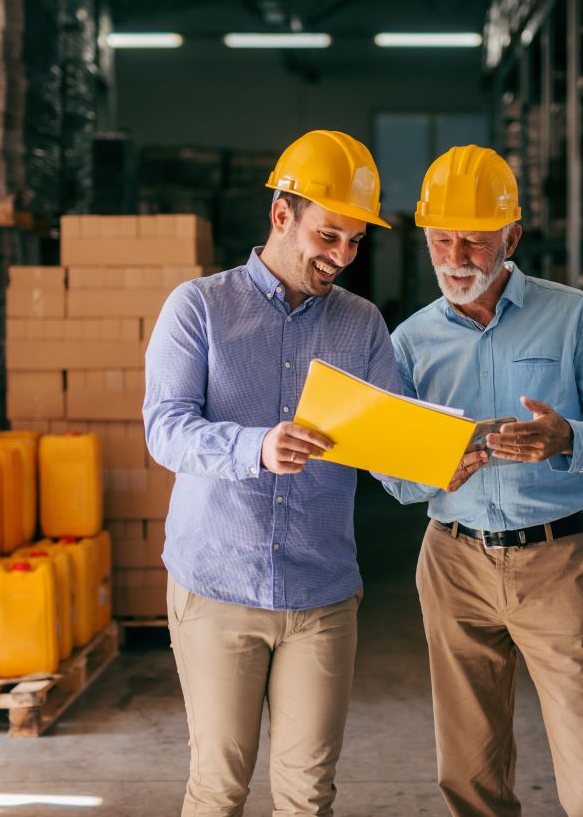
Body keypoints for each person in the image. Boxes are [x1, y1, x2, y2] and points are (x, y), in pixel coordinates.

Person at [380, 145, 583, 817]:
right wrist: (433, 469)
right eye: (441, 240)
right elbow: (392, 478)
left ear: (512, 237)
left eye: (474, 241)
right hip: (452, 561)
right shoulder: (409, 342)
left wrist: (569, 439)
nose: (455, 258)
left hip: (558, 561)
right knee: (469, 767)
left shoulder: (574, 316)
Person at [143, 129, 397, 816]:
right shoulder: (197, 308)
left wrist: (441, 464)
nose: (341, 257)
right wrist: (255, 447)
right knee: (219, 787)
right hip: (219, 584)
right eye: (329, 236)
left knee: (308, 794)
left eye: (354, 242)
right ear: (283, 215)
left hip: (321, 592)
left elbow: (387, 447)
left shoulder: (363, 325)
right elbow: (165, 431)